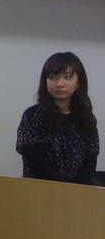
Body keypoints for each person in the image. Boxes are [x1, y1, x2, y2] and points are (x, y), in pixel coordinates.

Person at [16, 52, 99, 184]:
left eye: (67, 77)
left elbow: (90, 161)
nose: (60, 84)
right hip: (40, 189)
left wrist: (76, 189)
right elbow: (36, 163)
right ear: (45, 81)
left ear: (78, 82)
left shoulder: (87, 119)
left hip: (78, 192)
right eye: (53, 77)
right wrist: (64, 188)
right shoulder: (32, 116)